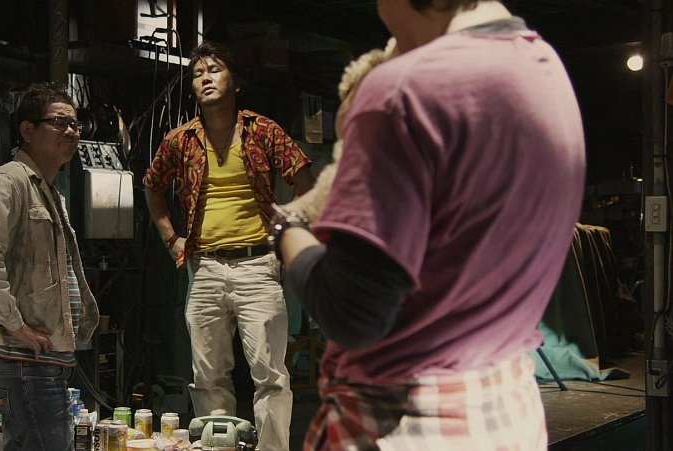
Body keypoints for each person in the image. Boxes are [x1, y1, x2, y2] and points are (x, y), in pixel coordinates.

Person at [273, 1, 586, 449]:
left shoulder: (404, 90)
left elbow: (352, 312)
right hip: (507, 411)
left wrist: (287, 231)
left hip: (404, 424)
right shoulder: (543, 66)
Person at [144, 40, 315, 451]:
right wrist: (171, 238)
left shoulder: (262, 130)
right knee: (207, 376)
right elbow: (152, 185)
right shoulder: (182, 139)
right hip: (204, 266)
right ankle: (217, 447)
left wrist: (290, 229)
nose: (206, 78)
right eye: (198, 73)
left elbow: (303, 177)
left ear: (236, 83)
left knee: (271, 376)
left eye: (215, 70)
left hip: (257, 265)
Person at [0, 82, 99, 451]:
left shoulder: (49, 192)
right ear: (28, 130)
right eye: (59, 122)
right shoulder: (10, 180)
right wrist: (15, 324)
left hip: (40, 361)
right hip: (21, 361)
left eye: (75, 124)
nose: (71, 131)